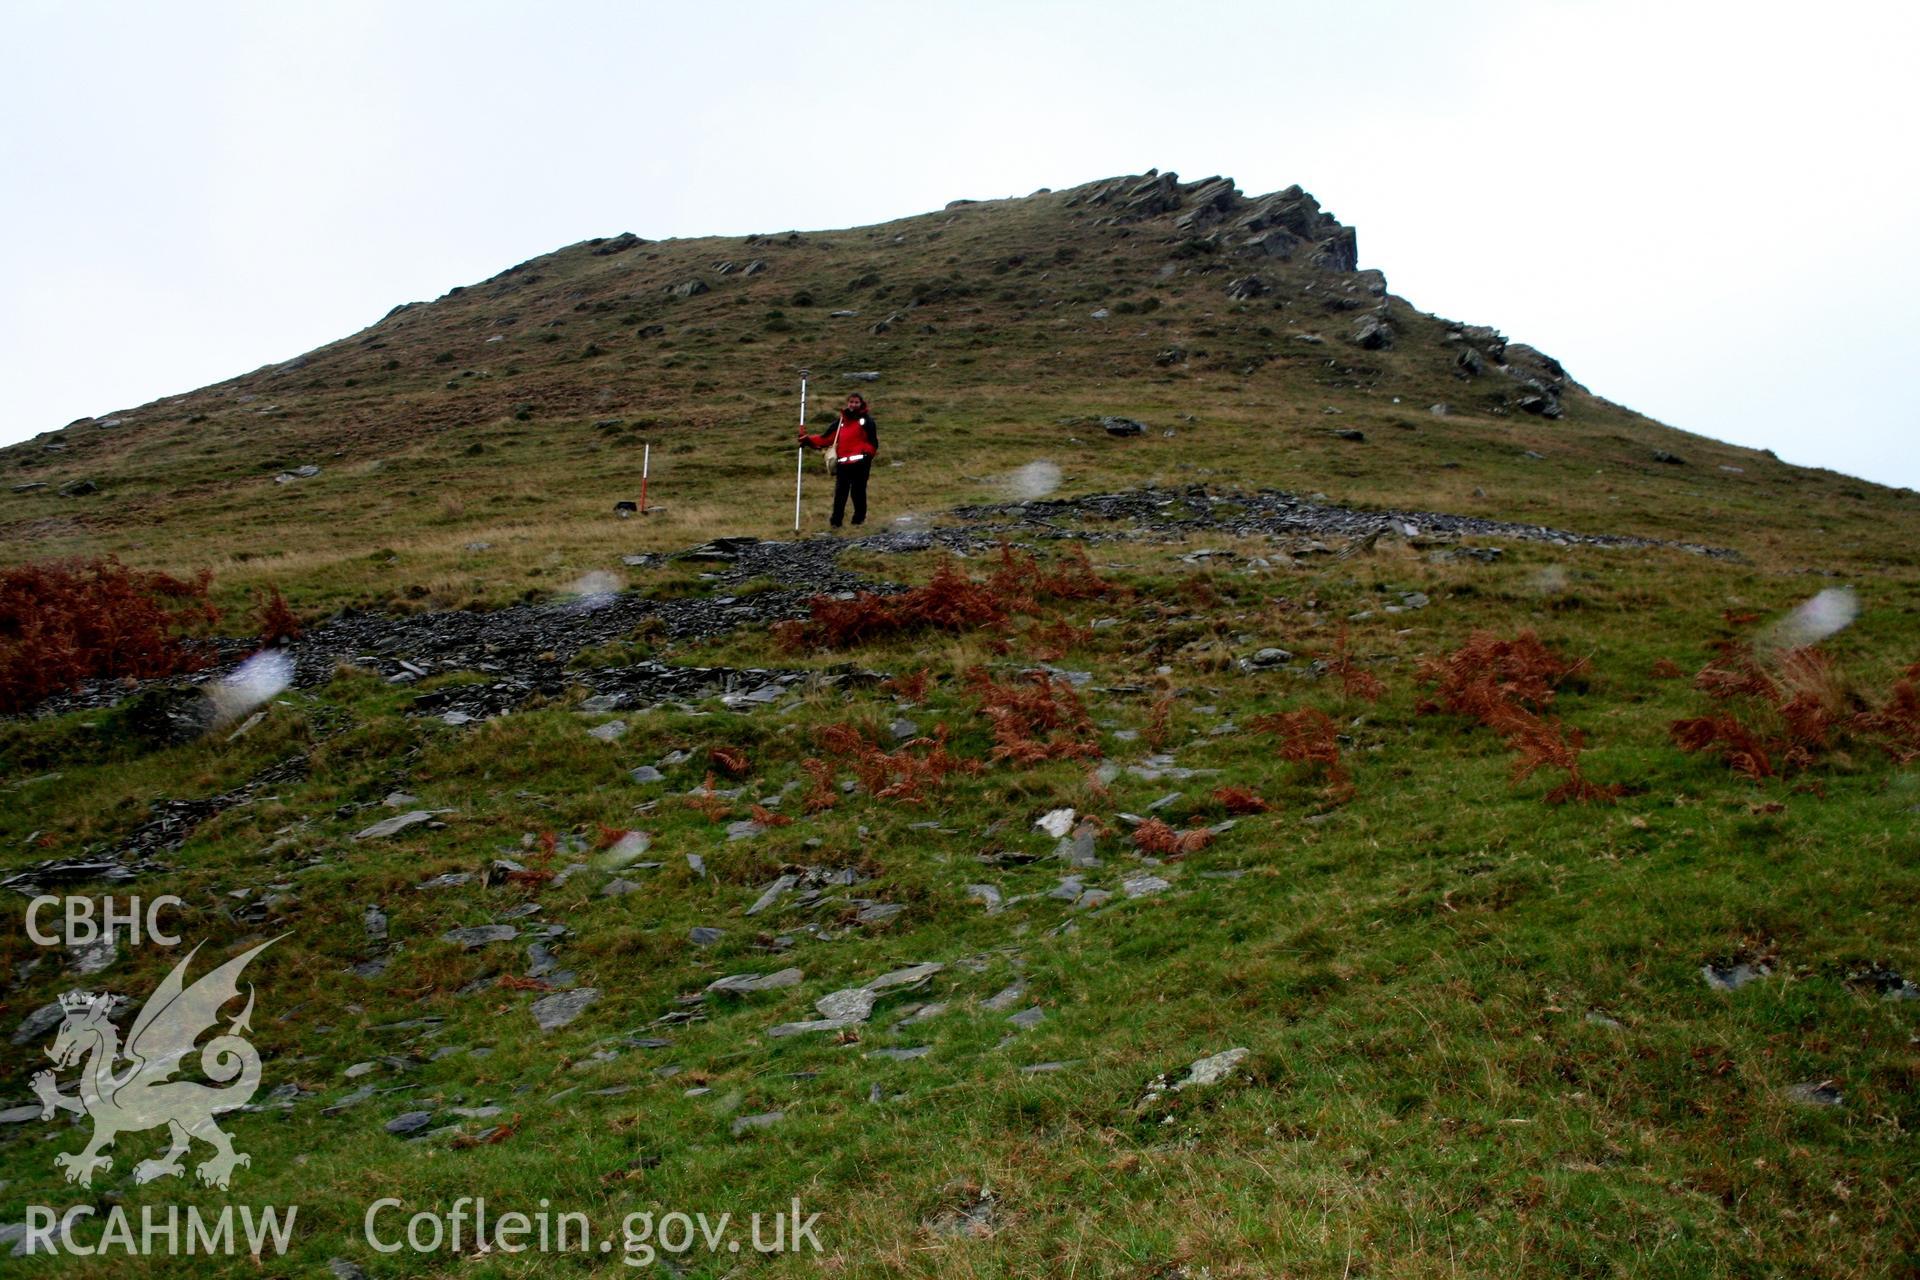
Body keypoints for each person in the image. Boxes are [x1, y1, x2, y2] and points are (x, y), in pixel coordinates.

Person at [799, 392, 879, 529]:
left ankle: (858, 522)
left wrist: (866, 456)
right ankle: (836, 523)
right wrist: (807, 440)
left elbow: (873, 443)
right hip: (843, 464)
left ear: (861, 404)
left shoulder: (867, 421)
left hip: (860, 464)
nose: (853, 404)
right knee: (840, 495)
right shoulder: (841, 422)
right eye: (851, 402)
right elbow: (826, 439)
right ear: (847, 403)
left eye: (856, 402)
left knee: (858, 493)